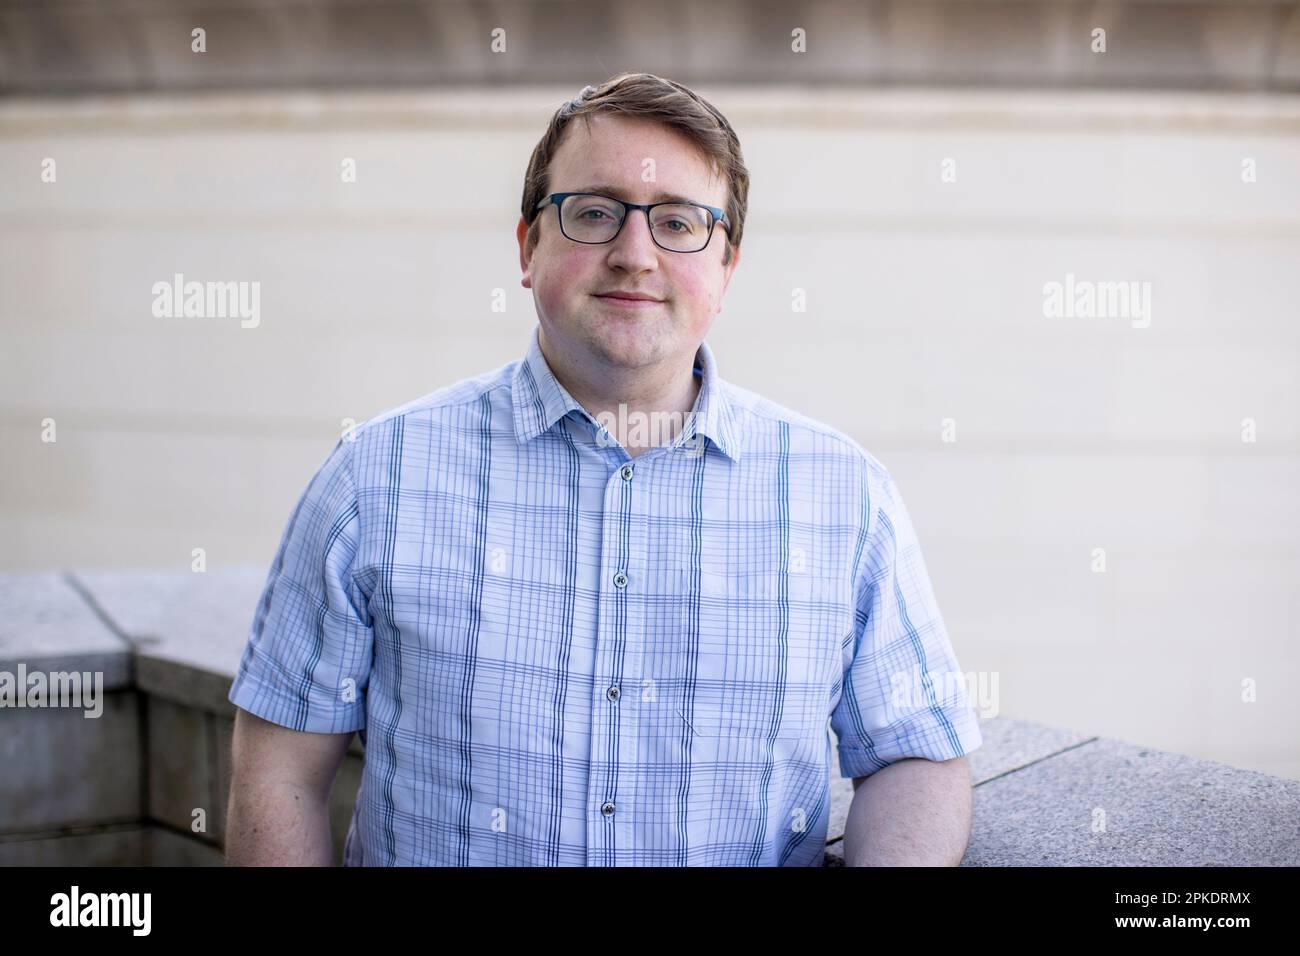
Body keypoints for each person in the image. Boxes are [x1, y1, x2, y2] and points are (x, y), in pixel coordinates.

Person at [225, 72, 982, 867]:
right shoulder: (375, 477)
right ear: (528, 246)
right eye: (593, 213)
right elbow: (282, 773)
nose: (634, 255)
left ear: (726, 267)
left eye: (679, 224)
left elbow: (913, 756)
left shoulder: (844, 498)